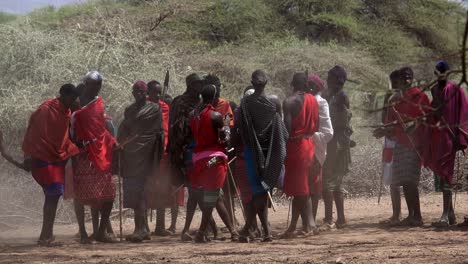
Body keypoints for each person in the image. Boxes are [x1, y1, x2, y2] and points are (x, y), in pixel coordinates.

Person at [0, 84, 81, 246]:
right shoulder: (46, 109)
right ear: (63, 95)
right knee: (53, 194)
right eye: (72, 97)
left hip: (57, 158)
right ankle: (46, 236)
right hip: (42, 157)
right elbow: (33, 132)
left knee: (53, 196)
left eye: (75, 98)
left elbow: (63, 136)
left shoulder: (67, 111)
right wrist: (28, 155)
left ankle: (47, 235)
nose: (74, 100)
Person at [373, 67, 430, 227]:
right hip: (400, 143)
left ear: (412, 78)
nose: (405, 80)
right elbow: (391, 123)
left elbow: (427, 118)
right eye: (403, 78)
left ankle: (417, 216)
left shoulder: (420, 96)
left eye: (408, 77)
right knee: (405, 181)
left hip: (414, 144)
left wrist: (416, 125)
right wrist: (383, 130)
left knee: (411, 181)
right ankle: (411, 215)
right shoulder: (395, 99)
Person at [237, 70, 288, 242]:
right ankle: (254, 230)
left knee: (258, 192)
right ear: (266, 83)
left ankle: (263, 231)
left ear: (252, 83)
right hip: (272, 153)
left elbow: (242, 129)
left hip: (252, 153)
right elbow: (281, 129)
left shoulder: (245, 103)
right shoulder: (274, 102)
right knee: (263, 191)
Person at [71, 71, 117, 243]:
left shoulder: (98, 102)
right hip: (82, 153)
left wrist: (112, 141)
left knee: (108, 193)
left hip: (101, 153)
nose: (96, 87)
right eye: (92, 83)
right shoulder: (76, 103)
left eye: (99, 84)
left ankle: (100, 232)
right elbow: (71, 127)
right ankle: (83, 232)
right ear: (86, 83)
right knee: (79, 195)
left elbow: (101, 128)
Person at [189, 84, 237, 243]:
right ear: (215, 96)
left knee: (217, 198)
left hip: (198, 160)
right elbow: (225, 138)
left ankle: (233, 231)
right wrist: (228, 130)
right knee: (212, 197)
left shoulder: (194, 115)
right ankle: (201, 232)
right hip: (214, 160)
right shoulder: (215, 115)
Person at [118, 80, 163, 242]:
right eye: (135, 92)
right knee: (135, 191)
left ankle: (141, 229)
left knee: (142, 191)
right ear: (132, 93)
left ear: (146, 93)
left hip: (147, 155)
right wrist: (121, 146)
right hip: (131, 155)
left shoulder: (155, 108)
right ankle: (142, 229)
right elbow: (125, 130)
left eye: (141, 92)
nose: (138, 95)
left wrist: (156, 155)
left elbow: (159, 133)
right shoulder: (129, 110)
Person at [426, 61, 467, 227]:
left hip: (450, 137)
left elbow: (464, 113)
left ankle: (444, 214)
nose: (441, 75)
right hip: (438, 135)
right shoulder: (434, 90)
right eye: (438, 73)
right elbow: (433, 112)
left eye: (444, 72)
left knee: (446, 173)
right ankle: (450, 214)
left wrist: (460, 136)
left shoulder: (456, 90)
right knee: (441, 173)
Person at [281, 73, 320, 238]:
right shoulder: (313, 100)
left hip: (296, 147)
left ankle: (311, 224)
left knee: (301, 189)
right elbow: (316, 126)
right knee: (302, 188)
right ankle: (294, 226)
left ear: (292, 85)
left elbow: (287, 130)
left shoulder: (289, 102)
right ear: (306, 86)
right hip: (310, 144)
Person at [168, 73, 203, 241]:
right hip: (186, 150)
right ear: (191, 85)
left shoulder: (201, 102)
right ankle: (190, 229)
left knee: (198, 189)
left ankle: (199, 227)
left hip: (199, 150)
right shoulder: (180, 102)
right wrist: (177, 150)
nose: (200, 87)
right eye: (197, 84)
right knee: (194, 189)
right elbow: (176, 127)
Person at [147, 80, 182, 236]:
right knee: (147, 189)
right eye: (155, 92)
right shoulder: (144, 106)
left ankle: (160, 226)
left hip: (164, 154)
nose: (158, 95)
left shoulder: (165, 107)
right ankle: (143, 226)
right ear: (148, 92)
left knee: (162, 189)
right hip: (147, 154)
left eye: (159, 92)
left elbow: (166, 130)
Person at [205, 74, 237, 228]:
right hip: (205, 150)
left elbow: (228, 124)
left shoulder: (224, 105)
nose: (217, 91)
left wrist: (225, 139)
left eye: (218, 88)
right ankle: (210, 225)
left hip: (222, 149)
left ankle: (232, 218)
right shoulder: (202, 106)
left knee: (227, 186)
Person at [322, 65, 353, 229]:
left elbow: (340, 120)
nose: (327, 81)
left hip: (337, 143)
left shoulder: (340, 97)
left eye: (329, 78)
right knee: (336, 182)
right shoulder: (334, 96)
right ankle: (340, 218)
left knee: (328, 181)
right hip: (337, 141)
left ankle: (329, 219)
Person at [306, 74, 334, 221]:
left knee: (314, 187)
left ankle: (312, 221)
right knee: (305, 187)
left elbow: (328, 133)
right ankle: (308, 221)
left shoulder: (321, 103)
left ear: (314, 87)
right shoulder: (304, 101)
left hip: (315, 149)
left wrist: (309, 136)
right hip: (304, 149)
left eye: (308, 85)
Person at [377, 70, 401, 226]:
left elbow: (398, 123)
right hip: (389, 141)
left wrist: (384, 130)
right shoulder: (389, 97)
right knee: (392, 179)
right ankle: (396, 214)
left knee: (397, 179)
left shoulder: (400, 98)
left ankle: (398, 215)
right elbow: (384, 118)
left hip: (398, 141)